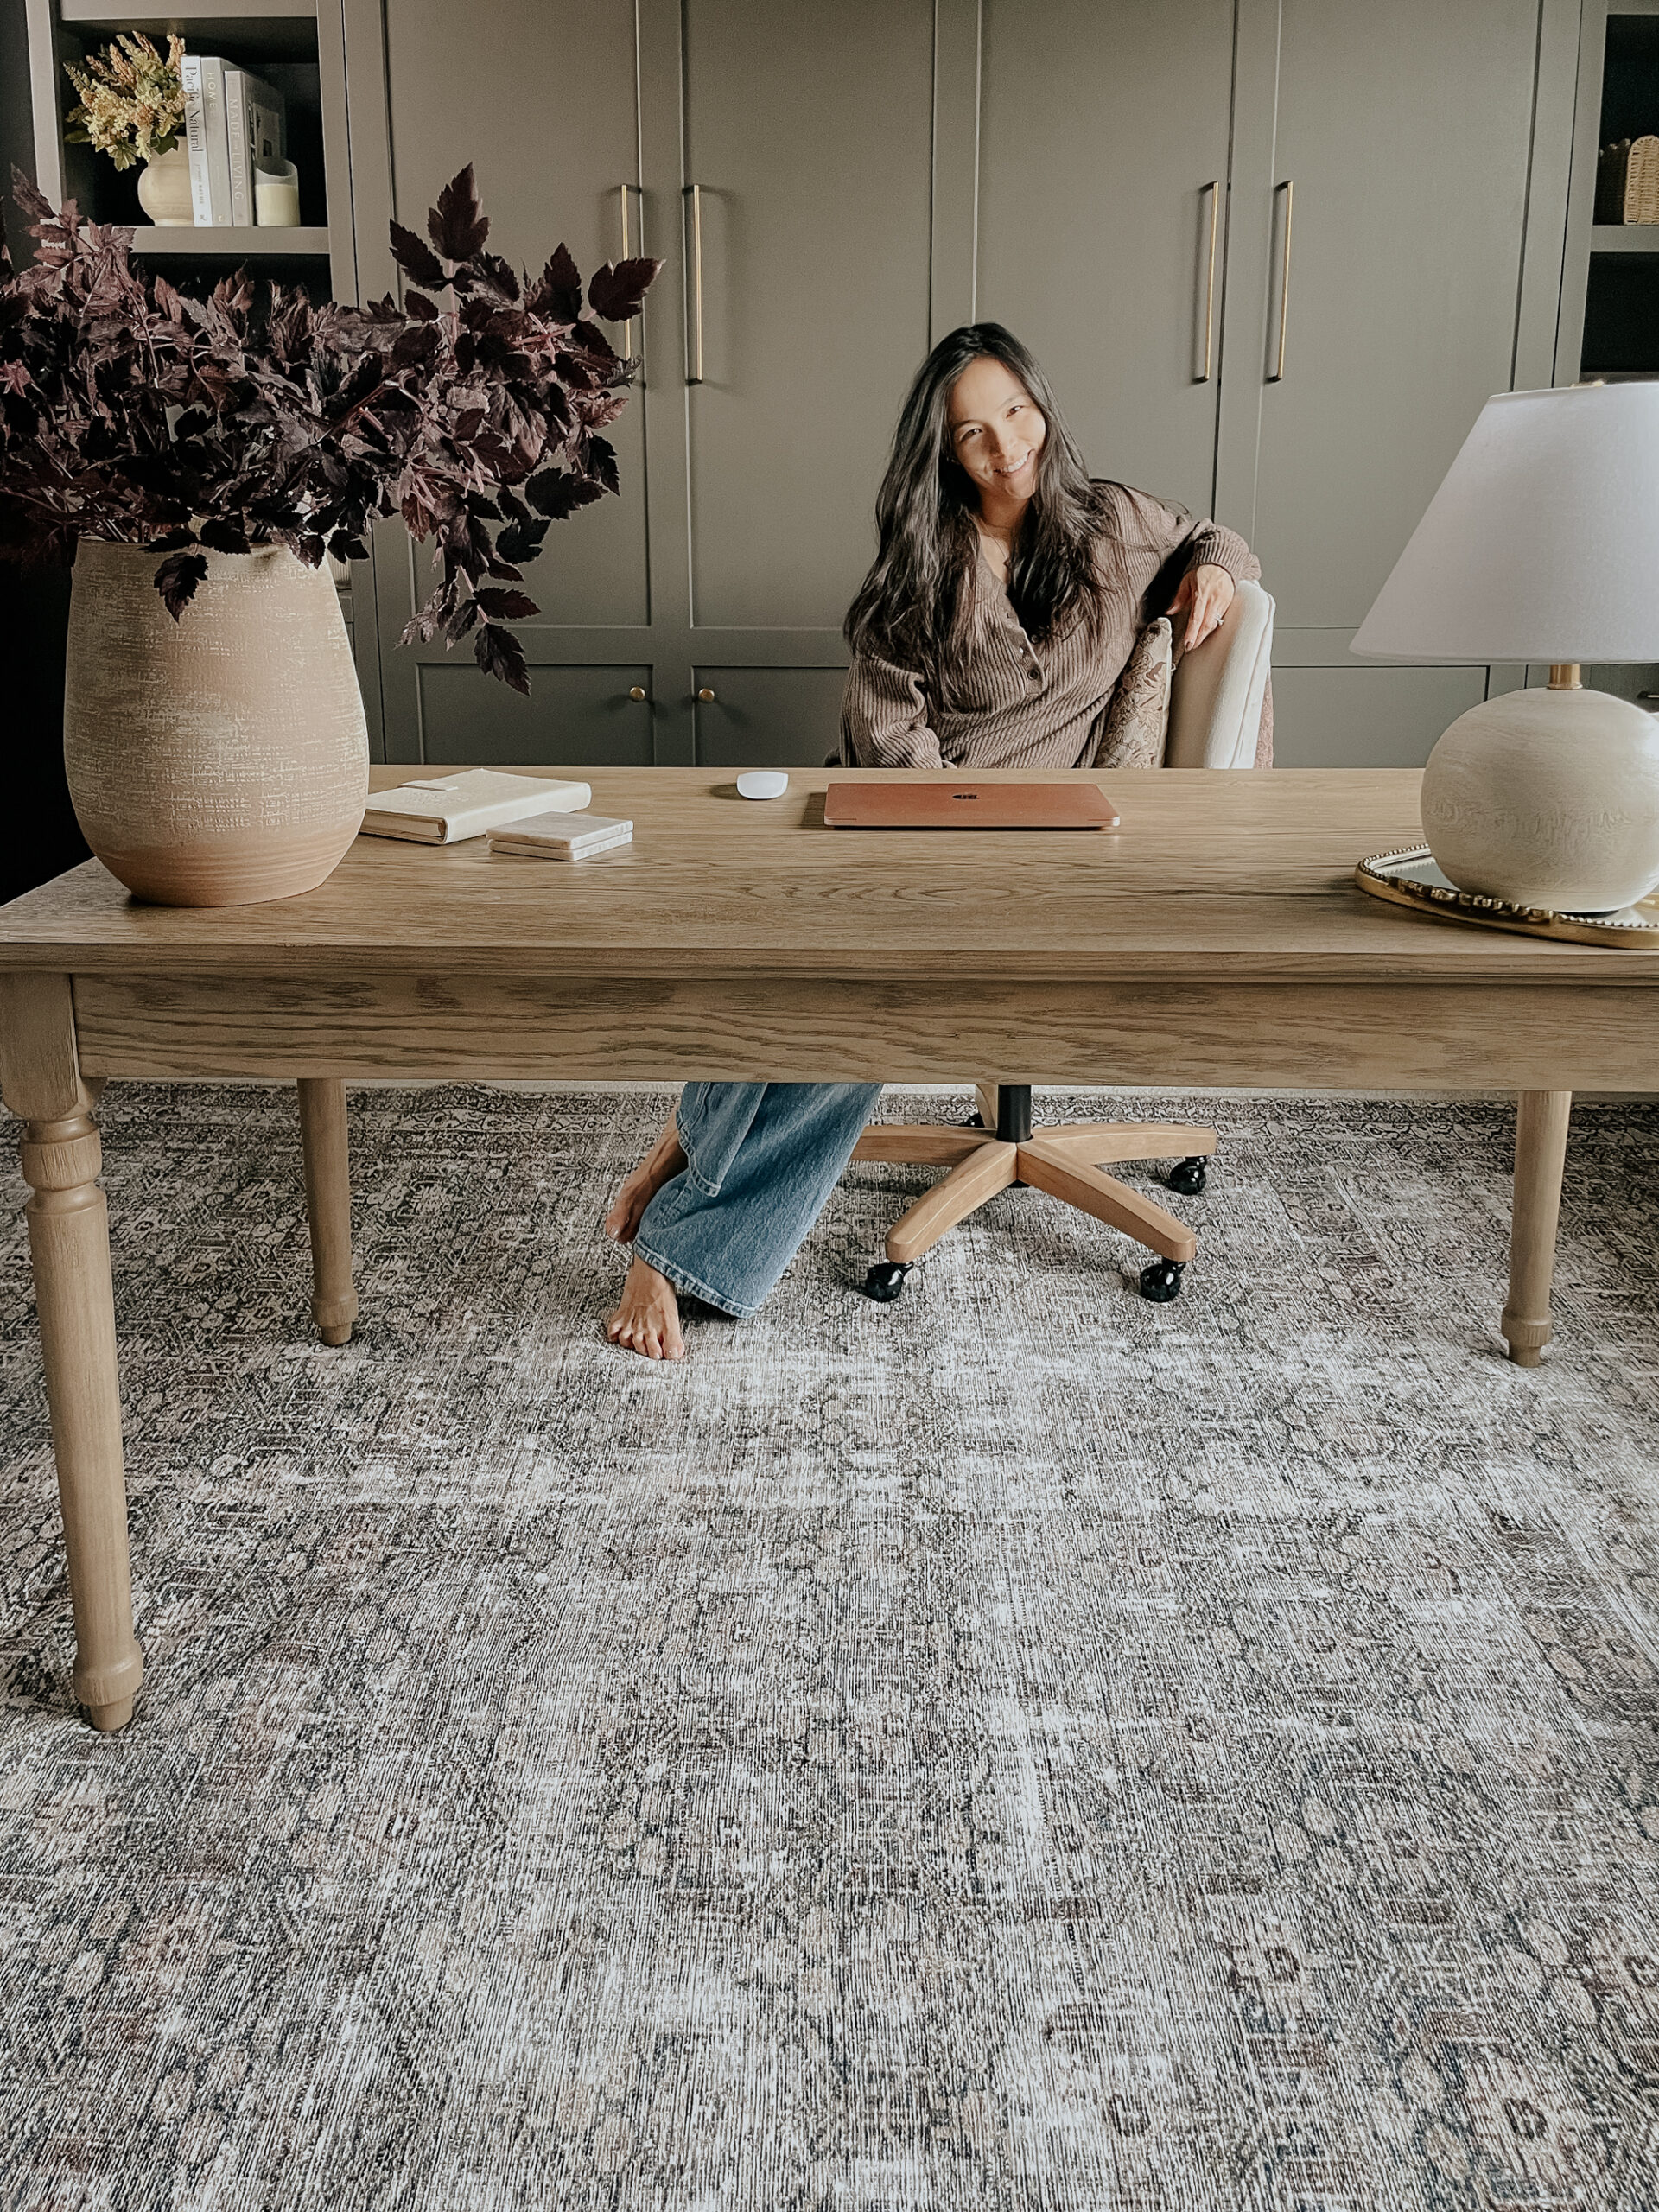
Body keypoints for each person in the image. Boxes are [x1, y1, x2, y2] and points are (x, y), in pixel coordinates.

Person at [605, 321, 1260, 1359]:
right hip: (905, 816)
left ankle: (683, 1210)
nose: (1006, 445)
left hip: (1043, 857)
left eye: (1016, 411)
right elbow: (882, 731)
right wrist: (934, 839)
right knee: (793, 961)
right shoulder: (924, 561)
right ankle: (693, 1160)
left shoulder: (1117, 525)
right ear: (942, 453)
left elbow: (1214, 534)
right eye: (971, 433)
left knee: (860, 1014)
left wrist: (1219, 568)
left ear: (1041, 401)